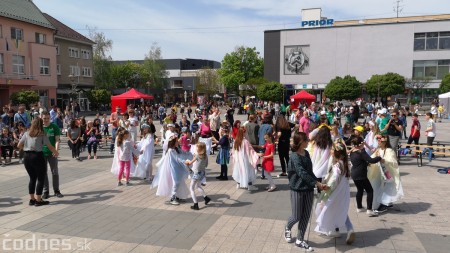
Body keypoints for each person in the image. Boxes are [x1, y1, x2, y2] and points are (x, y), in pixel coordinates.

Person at [284, 131, 329, 251]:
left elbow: (309, 171)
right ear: (300, 142)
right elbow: (301, 172)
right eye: (306, 140)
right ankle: (287, 228)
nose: (308, 142)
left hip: (308, 189)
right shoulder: (294, 156)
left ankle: (300, 239)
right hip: (297, 189)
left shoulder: (307, 153)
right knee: (296, 215)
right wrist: (317, 183)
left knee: (305, 216)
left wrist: (318, 182)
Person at [315, 141, 355, 245]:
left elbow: (334, 179)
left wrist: (327, 187)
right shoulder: (345, 164)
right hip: (343, 191)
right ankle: (347, 229)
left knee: (323, 208)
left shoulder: (337, 165)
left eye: (333, 150)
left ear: (337, 153)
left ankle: (327, 229)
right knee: (340, 211)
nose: (331, 151)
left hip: (334, 192)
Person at [18, 118, 59, 206]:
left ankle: (32, 199)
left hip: (27, 157)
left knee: (32, 178)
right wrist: (56, 152)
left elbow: (19, 145)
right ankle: (39, 200)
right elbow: (50, 146)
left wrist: (27, 148)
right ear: (40, 125)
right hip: (37, 156)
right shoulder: (42, 134)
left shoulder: (26, 133)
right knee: (41, 178)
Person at [152, 134, 191, 205]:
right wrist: (184, 161)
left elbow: (183, 153)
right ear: (173, 142)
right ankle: (173, 197)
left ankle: (177, 195)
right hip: (173, 169)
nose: (178, 142)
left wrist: (190, 153)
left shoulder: (176, 149)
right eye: (176, 141)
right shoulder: (171, 150)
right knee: (176, 182)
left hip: (177, 167)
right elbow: (177, 158)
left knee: (179, 182)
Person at [368, 135, 404, 213]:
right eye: (378, 140)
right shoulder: (378, 150)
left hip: (388, 173)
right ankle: (386, 203)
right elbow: (372, 158)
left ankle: (384, 204)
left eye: (380, 141)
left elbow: (392, 161)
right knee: (379, 187)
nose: (378, 142)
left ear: (385, 142)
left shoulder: (389, 150)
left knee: (387, 188)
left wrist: (383, 160)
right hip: (380, 172)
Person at [349, 136, 382, 217]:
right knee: (370, 190)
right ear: (361, 143)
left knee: (359, 190)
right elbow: (371, 160)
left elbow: (358, 161)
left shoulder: (352, 151)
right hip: (361, 174)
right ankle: (369, 210)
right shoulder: (361, 152)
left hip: (354, 173)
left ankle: (359, 207)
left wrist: (366, 163)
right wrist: (379, 157)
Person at [41, 112, 63, 199]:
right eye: (44, 118)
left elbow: (57, 140)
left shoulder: (54, 127)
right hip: (42, 153)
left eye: (47, 118)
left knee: (55, 172)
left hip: (52, 153)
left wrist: (56, 150)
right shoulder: (40, 128)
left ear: (50, 118)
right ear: (41, 118)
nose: (46, 120)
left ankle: (56, 190)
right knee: (43, 173)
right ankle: (46, 191)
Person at [185, 142, 211, 210]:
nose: (196, 148)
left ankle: (196, 204)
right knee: (198, 186)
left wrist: (186, 162)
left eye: (197, 147)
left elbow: (190, 163)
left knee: (191, 188)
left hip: (196, 174)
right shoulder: (205, 156)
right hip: (202, 173)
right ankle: (206, 198)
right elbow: (206, 165)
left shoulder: (197, 156)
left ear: (200, 149)